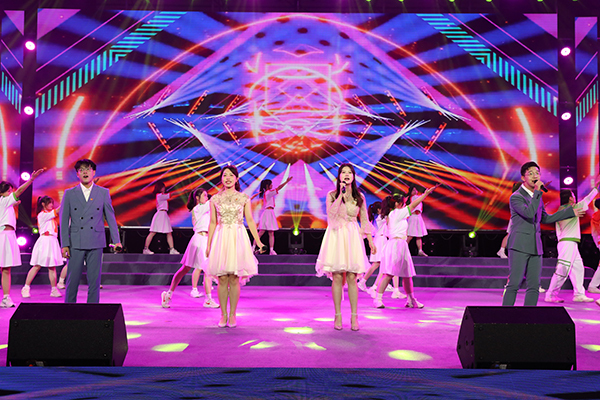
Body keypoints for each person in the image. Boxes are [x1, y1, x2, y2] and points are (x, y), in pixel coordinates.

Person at [502, 161, 583, 306]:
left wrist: (569, 212)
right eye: (531, 173)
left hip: (535, 246)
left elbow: (545, 218)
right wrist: (537, 193)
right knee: (514, 283)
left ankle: (529, 317)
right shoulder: (516, 197)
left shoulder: (537, 197)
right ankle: (504, 316)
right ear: (523, 178)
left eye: (537, 173)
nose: (535, 176)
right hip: (519, 245)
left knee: (534, 286)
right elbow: (528, 213)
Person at [315, 163, 376, 331]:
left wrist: (370, 241)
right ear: (339, 176)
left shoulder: (359, 196)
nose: (347, 174)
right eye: (343, 172)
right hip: (336, 235)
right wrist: (341, 196)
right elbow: (331, 214)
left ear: (353, 176)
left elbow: (364, 219)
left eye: (350, 172)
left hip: (352, 235)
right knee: (337, 276)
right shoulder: (332, 194)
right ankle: (338, 315)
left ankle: (354, 316)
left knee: (351, 277)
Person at [206, 165, 264, 328]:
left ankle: (232, 314)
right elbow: (212, 223)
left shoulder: (244, 198)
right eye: (225, 175)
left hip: (237, 237)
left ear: (236, 179)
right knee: (222, 278)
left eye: (231, 175)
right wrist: (209, 244)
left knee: (234, 278)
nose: (228, 178)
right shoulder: (215, 199)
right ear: (221, 178)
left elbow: (250, 221)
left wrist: (258, 241)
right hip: (222, 237)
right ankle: (223, 314)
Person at [60, 159, 122, 303]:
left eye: (88, 169)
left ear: (93, 172)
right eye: (81, 170)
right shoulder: (69, 193)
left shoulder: (103, 193)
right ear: (77, 174)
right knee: (72, 281)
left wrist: (117, 241)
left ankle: (93, 312)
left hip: (96, 240)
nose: (85, 172)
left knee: (94, 281)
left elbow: (111, 218)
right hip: (76, 242)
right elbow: (63, 221)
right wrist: (64, 244)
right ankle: (68, 312)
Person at [373, 186, 438, 309]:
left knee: (407, 275)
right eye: (403, 203)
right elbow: (413, 205)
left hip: (401, 245)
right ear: (397, 204)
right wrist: (425, 195)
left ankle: (411, 299)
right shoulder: (396, 213)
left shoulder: (397, 214)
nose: (404, 205)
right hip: (395, 245)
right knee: (388, 274)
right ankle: (378, 299)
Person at [161, 188, 218, 308]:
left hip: (204, 239)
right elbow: (215, 200)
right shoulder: (198, 208)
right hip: (199, 239)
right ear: (197, 198)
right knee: (189, 269)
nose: (207, 197)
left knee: (191, 269)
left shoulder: (205, 209)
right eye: (204, 195)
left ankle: (169, 294)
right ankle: (169, 294)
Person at [544, 185, 598, 303]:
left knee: (578, 268)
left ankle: (579, 294)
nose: (575, 197)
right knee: (562, 269)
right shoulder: (572, 209)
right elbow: (588, 199)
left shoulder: (561, 210)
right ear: (570, 198)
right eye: (573, 196)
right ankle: (551, 294)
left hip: (569, 243)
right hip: (567, 243)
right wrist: (596, 188)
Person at [0, 169, 45, 308]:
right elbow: (19, 191)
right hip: (4, 236)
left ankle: (6, 298)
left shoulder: (4, 202)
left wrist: (13, 204)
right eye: (9, 191)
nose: (11, 193)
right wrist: (31, 180)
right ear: (3, 192)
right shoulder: (4, 200)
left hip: (7, 235)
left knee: (5, 269)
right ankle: (6, 297)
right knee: (5, 269)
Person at [21, 196, 63, 298]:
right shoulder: (42, 215)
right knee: (37, 266)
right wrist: (67, 200)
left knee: (52, 267)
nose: (51, 205)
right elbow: (57, 210)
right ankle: (26, 288)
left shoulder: (50, 215)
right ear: (43, 204)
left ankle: (54, 289)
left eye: (52, 203)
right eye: (49, 203)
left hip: (52, 241)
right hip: (44, 241)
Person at [253, 176, 293, 255]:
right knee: (261, 232)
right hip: (268, 213)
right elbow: (279, 188)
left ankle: (271, 250)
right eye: (271, 184)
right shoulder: (268, 192)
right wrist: (286, 182)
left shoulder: (268, 193)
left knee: (270, 233)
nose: (272, 185)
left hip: (270, 212)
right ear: (267, 185)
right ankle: (253, 247)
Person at [144, 182, 180, 255]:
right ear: (159, 188)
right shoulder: (160, 196)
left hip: (164, 215)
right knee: (152, 232)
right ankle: (145, 249)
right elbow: (172, 194)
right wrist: (181, 191)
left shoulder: (162, 196)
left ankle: (172, 249)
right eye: (162, 187)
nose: (164, 188)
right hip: (160, 215)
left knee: (169, 232)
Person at [497, 183, 523, 259]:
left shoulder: (520, 196)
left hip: (520, 218)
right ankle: (501, 250)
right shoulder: (516, 196)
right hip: (516, 218)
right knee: (510, 234)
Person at [406, 185, 429, 256]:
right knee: (410, 235)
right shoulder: (413, 198)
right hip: (413, 217)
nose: (415, 191)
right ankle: (403, 249)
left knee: (419, 235)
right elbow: (422, 197)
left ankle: (420, 250)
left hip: (418, 217)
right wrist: (426, 192)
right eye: (413, 190)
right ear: (410, 192)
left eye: (415, 190)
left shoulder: (416, 197)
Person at [588, 198, 600, 294]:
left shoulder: (595, 215)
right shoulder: (597, 216)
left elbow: (593, 233)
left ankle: (593, 285)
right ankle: (593, 285)